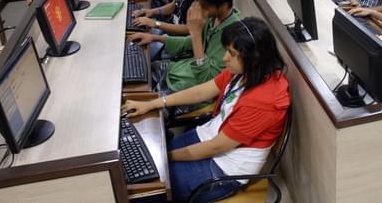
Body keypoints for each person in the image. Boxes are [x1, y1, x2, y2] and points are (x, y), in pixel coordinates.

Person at [121, 17, 290, 202]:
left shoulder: (264, 102)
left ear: (254, 59)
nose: (225, 58)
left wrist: (165, 158)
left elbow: (216, 147)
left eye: (231, 54)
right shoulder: (244, 71)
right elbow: (201, 91)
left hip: (224, 168)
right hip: (210, 136)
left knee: (148, 191)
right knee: (143, 170)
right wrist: (151, 104)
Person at [128, 0, 241, 98]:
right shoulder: (214, 17)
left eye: (203, 5)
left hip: (192, 88)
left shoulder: (233, 34)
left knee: (142, 97)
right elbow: (189, 42)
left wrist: (196, 33)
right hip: (182, 71)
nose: (198, 8)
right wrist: (155, 38)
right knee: (144, 70)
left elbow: (207, 79)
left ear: (223, 6)